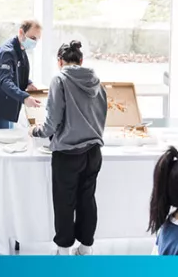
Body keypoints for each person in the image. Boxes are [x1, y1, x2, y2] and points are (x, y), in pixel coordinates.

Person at [30, 41, 107, 255]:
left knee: (65, 202)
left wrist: (36, 131)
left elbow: (52, 121)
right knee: (87, 199)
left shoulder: (60, 80)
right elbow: (102, 116)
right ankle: (86, 248)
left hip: (68, 154)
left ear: (59, 62)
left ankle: (63, 249)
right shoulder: (97, 82)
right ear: (81, 61)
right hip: (93, 151)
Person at [0, 20, 42, 130]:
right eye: (32, 38)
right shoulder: (7, 52)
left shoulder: (21, 49)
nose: (34, 42)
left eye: (37, 39)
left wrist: (28, 83)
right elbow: (5, 81)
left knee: (9, 135)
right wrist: (25, 97)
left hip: (6, 107)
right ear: (21, 32)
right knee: (1, 142)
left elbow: (16, 72)